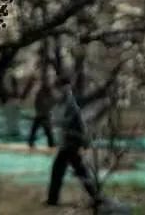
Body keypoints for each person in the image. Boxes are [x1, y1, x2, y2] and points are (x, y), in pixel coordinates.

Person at [45, 79, 98, 207]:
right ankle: (96, 197)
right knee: (78, 170)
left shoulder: (71, 104)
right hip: (68, 142)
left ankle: (53, 200)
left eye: (59, 89)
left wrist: (54, 123)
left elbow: (69, 122)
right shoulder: (63, 103)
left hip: (71, 142)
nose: (56, 92)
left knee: (61, 170)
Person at [29, 82, 56, 149]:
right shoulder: (41, 95)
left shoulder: (48, 95)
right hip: (42, 115)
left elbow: (51, 104)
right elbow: (37, 104)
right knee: (39, 130)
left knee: (46, 131)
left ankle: (51, 144)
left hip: (43, 115)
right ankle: (51, 144)